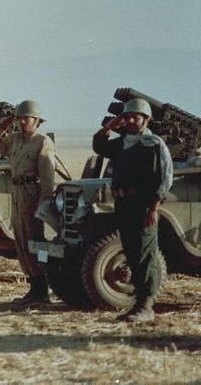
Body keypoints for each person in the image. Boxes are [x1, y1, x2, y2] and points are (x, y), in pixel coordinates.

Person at [92, 98, 173, 322]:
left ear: (146, 119)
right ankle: (138, 303)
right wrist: (110, 125)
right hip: (123, 204)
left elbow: (164, 180)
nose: (130, 120)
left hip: (143, 205)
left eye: (135, 116)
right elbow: (99, 145)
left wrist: (153, 208)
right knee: (131, 252)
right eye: (127, 117)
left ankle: (146, 305)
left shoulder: (154, 144)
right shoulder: (121, 143)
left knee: (145, 254)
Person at [0, 100, 55, 305]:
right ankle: (33, 285)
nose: (23, 122)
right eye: (20, 118)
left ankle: (41, 289)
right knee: (21, 241)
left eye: (26, 118)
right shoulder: (14, 139)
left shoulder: (42, 143)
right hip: (16, 192)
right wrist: (1, 127)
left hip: (32, 194)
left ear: (36, 121)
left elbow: (48, 179)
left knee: (34, 241)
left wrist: (44, 205)